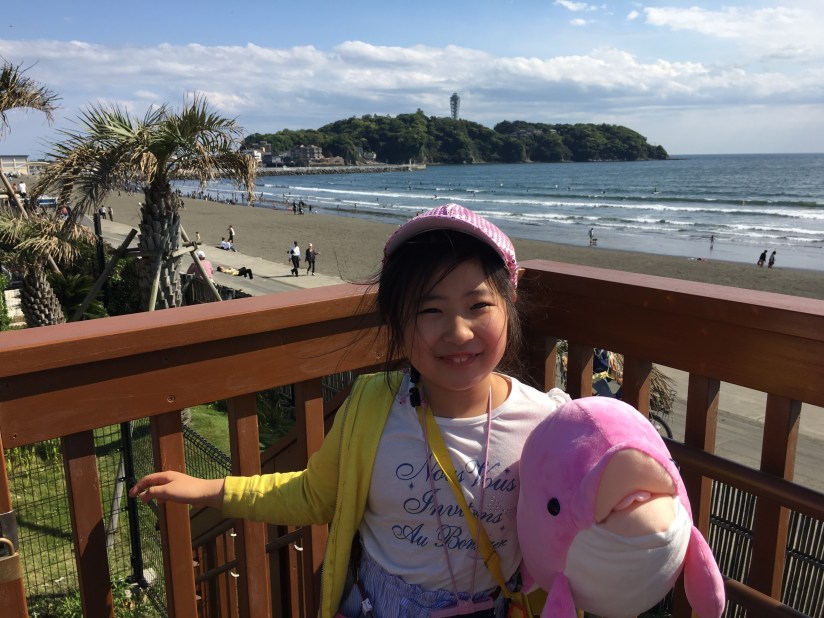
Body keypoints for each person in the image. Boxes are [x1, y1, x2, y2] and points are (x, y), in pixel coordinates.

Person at [130, 204, 571, 618]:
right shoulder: (370, 408)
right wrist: (211, 490)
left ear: (509, 304)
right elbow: (314, 494)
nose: (458, 331)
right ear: (397, 321)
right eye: (430, 310)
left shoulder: (545, 423)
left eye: (478, 305)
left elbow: (580, 523)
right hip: (377, 604)